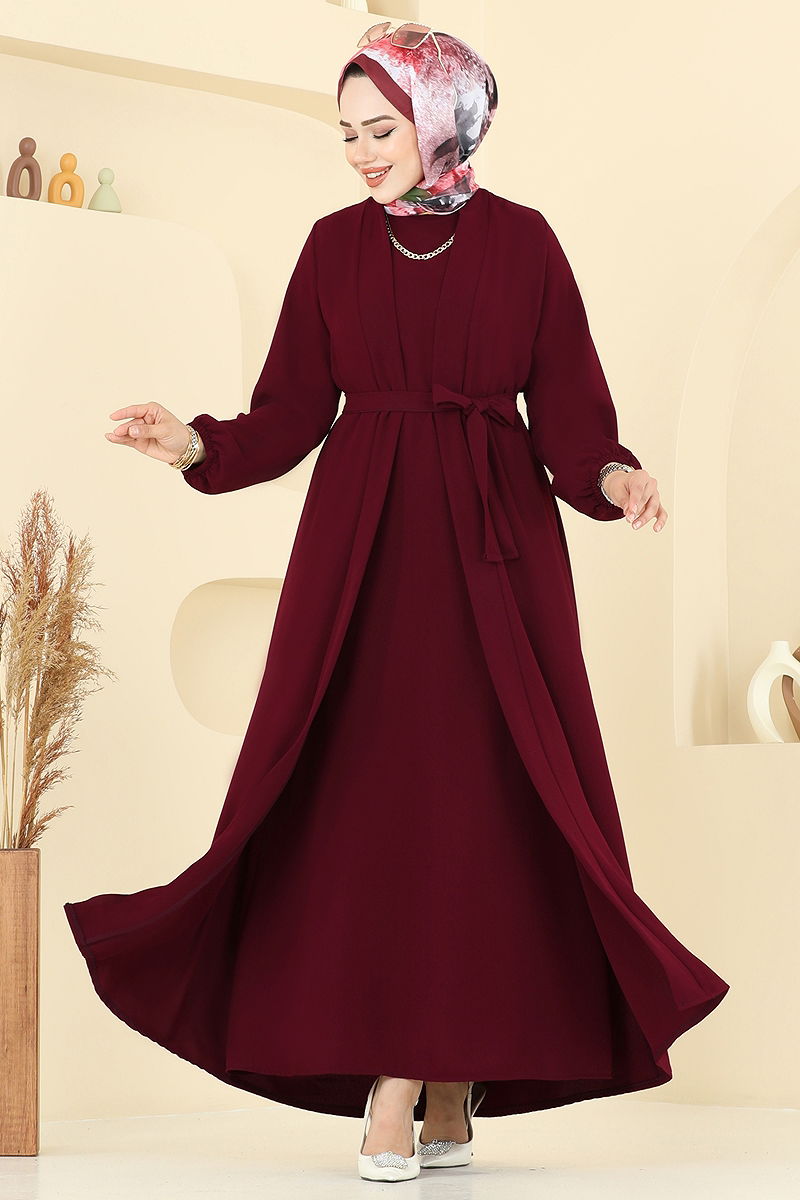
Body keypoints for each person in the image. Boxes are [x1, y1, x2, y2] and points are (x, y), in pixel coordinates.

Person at [65, 22, 730, 1186]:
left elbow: (570, 415)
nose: (361, 153)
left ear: (441, 120)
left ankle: (430, 1073)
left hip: (494, 553)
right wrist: (194, 444)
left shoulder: (525, 243)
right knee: (363, 805)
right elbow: (287, 414)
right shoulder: (330, 248)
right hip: (361, 552)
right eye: (346, 135)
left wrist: (613, 477)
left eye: (381, 129)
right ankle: (407, 1075)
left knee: (486, 810)